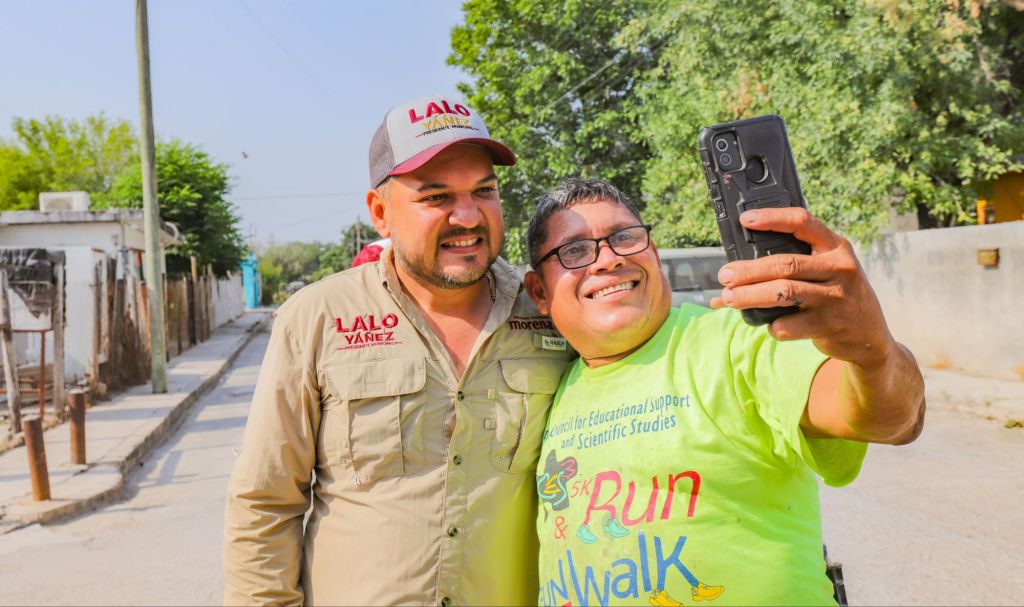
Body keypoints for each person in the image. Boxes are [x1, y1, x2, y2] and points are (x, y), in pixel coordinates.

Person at [222, 95, 574, 606]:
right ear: (381, 213)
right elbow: (264, 503)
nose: (468, 215)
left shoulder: (549, 308)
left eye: (484, 191)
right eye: (437, 198)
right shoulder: (318, 317)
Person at [523, 178, 925, 607]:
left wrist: (874, 350)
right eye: (575, 250)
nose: (607, 259)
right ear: (539, 293)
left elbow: (892, 417)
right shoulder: (546, 391)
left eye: (624, 237)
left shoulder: (738, 342)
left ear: (653, 255)